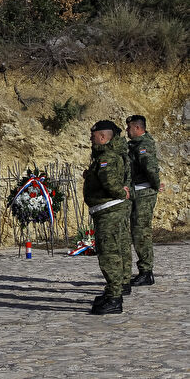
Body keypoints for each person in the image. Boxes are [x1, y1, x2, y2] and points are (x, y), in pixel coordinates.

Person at [83, 120, 132, 315]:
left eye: (93, 136)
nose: (91, 139)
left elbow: (110, 183)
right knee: (114, 252)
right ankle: (114, 292)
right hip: (107, 210)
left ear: (102, 138)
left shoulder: (107, 157)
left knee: (109, 255)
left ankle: (114, 298)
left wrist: (121, 192)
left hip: (109, 211)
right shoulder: (106, 156)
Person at [126, 115, 163, 287]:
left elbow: (150, 167)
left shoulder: (143, 145)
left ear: (138, 128)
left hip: (144, 192)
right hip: (138, 191)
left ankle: (146, 272)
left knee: (141, 232)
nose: (127, 131)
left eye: (129, 128)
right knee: (137, 231)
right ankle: (144, 270)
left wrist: (155, 185)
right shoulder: (136, 144)